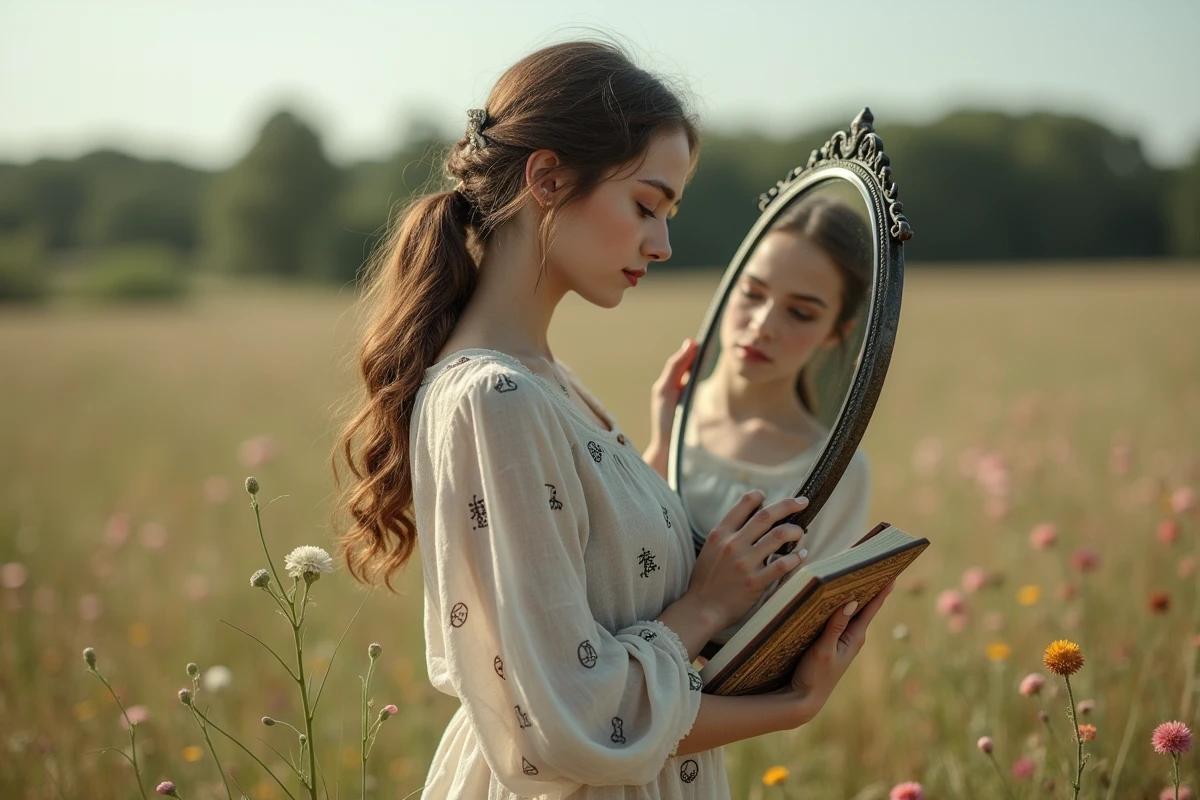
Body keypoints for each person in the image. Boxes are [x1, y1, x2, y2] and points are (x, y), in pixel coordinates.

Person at [334, 40, 894, 800]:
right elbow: (570, 724)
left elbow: (603, 607)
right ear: (547, 179)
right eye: (645, 206)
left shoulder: (548, 383)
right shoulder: (496, 399)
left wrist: (656, 465)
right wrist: (739, 647)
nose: (661, 244)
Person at [654, 195, 874, 568]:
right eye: (752, 293)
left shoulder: (839, 471)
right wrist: (660, 447)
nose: (763, 325)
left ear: (836, 332)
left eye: (800, 313)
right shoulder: (673, 413)